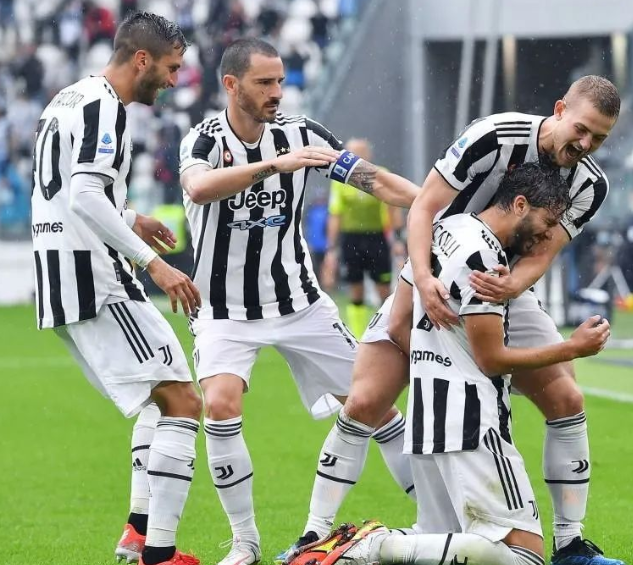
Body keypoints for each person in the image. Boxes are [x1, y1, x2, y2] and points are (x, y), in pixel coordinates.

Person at [283, 75, 625, 565]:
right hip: (439, 268)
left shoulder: (591, 184)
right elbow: (425, 205)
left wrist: (509, 287)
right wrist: (422, 279)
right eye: (583, 129)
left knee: (567, 399)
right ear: (559, 110)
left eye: (600, 138)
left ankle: (570, 544)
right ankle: (315, 537)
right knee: (365, 401)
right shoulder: (494, 135)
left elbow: (543, 250)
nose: (587, 144)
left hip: (500, 283)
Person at [177, 38, 419, 565]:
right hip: (224, 311)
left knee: (376, 404)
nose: (277, 92)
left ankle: (435, 518)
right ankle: (245, 543)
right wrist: (276, 166)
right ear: (231, 85)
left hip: (300, 304)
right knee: (220, 404)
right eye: (264, 82)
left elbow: (373, 180)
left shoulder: (303, 133)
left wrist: (433, 203)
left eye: (280, 81)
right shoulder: (204, 139)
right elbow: (198, 189)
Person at [30, 12, 203, 565]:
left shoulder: (68, 98)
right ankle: (159, 553)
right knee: (182, 399)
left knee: (161, 398)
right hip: (95, 277)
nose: (173, 80)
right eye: (171, 68)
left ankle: (139, 532)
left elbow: (68, 189)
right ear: (142, 59)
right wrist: (154, 264)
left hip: (59, 276)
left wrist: (129, 217)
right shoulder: (106, 106)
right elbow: (83, 195)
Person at [323, 138, 404, 337]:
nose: (356, 157)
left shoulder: (380, 173)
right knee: (355, 288)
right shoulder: (340, 179)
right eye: (352, 153)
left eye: (360, 152)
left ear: (368, 155)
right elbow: (335, 213)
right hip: (351, 239)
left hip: (377, 238)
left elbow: (392, 207)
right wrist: (331, 248)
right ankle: (359, 337)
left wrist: (397, 239)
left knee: (384, 289)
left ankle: (386, 333)